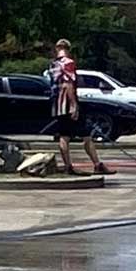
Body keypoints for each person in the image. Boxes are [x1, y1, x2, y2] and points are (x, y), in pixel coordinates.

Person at [48, 39, 106, 178]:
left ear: (57, 48)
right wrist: (74, 105)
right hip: (68, 104)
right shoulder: (68, 63)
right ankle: (96, 164)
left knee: (64, 136)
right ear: (68, 48)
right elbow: (68, 85)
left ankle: (69, 166)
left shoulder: (52, 64)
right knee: (85, 135)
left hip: (57, 105)